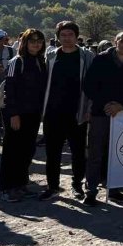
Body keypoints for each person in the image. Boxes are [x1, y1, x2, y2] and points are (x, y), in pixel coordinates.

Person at [82, 31, 123, 205]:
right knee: (95, 153)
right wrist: (107, 103)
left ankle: (114, 189)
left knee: (118, 153)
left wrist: (121, 105)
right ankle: (91, 191)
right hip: (100, 113)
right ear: (115, 41)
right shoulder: (101, 60)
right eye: (122, 41)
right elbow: (88, 85)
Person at [39, 20, 95, 201]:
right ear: (58, 37)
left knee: (78, 152)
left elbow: (93, 85)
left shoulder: (86, 56)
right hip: (53, 112)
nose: (67, 38)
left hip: (77, 112)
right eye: (63, 35)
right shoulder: (51, 56)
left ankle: (77, 184)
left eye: (70, 34)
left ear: (77, 36)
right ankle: (52, 186)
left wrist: (89, 109)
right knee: (52, 152)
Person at [0, 29, 47, 202]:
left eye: (39, 41)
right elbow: (9, 90)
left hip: (33, 114)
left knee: (27, 151)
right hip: (16, 114)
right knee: (12, 151)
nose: (36, 44)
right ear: (25, 42)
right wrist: (13, 114)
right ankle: (6, 188)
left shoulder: (41, 61)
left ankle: (20, 184)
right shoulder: (16, 61)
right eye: (32, 40)